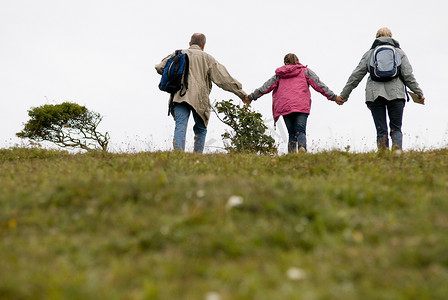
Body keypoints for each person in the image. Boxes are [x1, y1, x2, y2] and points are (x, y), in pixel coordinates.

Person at [156, 33, 247, 153]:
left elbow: (159, 67)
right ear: (203, 45)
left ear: (190, 44)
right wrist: (241, 93)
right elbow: (224, 79)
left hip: (179, 95)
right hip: (200, 99)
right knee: (201, 128)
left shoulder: (178, 53)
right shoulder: (207, 58)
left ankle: (178, 154)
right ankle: (197, 155)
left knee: (181, 125)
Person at [340, 27, 425, 151]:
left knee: (381, 129)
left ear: (376, 38)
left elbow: (355, 76)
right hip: (396, 94)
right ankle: (397, 152)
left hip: (375, 95)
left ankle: (383, 155)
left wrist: (344, 95)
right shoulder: (399, 53)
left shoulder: (369, 54)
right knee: (396, 127)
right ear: (391, 37)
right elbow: (408, 76)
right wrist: (418, 93)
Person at [244, 53, 343, 153]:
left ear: (285, 62)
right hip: (301, 106)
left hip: (285, 107)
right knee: (300, 130)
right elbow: (319, 85)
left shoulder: (279, 75)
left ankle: (291, 156)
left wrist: (251, 97)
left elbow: (265, 87)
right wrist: (334, 97)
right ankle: (302, 147)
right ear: (297, 61)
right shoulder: (305, 72)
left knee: (291, 133)